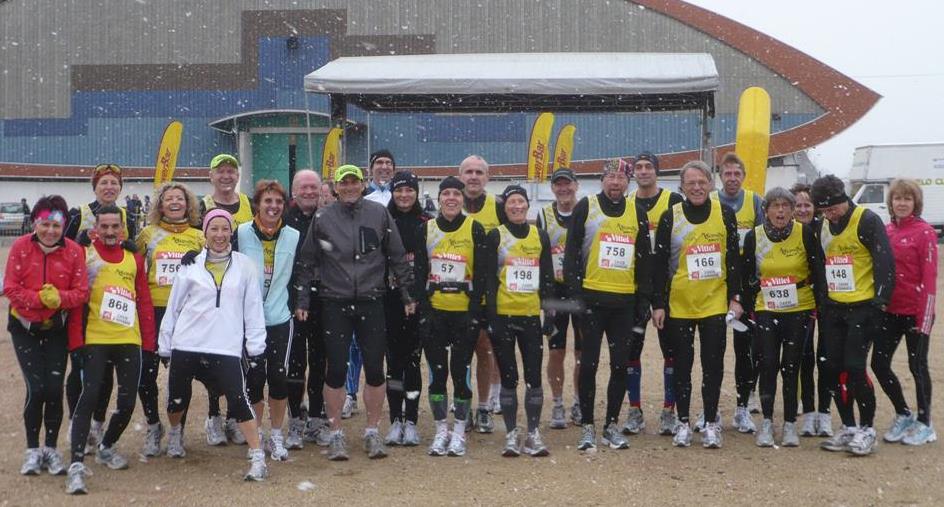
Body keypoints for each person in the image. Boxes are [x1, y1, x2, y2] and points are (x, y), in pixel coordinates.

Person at [295, 164, 414, 461]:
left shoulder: (379, 214)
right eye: (343, 183)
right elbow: (307, 262)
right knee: (335, 370)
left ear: (362, 184)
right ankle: (335, 434)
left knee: (375, 369)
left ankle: (372, 431)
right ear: (335, 187)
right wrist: (302, 301)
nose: (348, 187)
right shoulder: (324, 217)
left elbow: (397, 256)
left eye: (353, 182)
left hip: (372, 301)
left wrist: (408, 294)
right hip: (334, 302)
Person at [158, 209, 269, 482]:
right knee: (176, 399)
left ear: (231, 232)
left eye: (224, 229)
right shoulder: (190, 264)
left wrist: (256, 347)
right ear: (204, 233)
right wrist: (165, 343)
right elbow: (174, 307)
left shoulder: (245, 265)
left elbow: (253, 308)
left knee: (238, 399)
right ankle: (175, 435)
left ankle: (257, 456)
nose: (220, 235)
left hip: (226, 345)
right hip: (188, 342)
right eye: (214, 229)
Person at [65, 205, 156, 495]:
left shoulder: (133, 257)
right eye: (104, 226)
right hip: (96, 339)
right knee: (89, 397)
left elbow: (143, 300)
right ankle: (77, 463)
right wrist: (76, 342)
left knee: (128, 402)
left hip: (128, 339)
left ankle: (106, 446)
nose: (109, 232)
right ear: (96, 228)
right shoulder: (86, 254)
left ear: (122, 228)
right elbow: (78, 300)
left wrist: (150, 343)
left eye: (114, 226)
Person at [651, 160, 741, 449]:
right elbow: (660, 263)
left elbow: (733, 260)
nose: (697, 187)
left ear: (710, 184)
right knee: (682, 366)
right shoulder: (671, 216)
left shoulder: (725, 214)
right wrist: (659, 303)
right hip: (680, 304)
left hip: (714, 302)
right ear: (682, 187)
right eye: (691, 183)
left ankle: (712, 422)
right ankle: (683, 422)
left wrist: (736, 298)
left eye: (702, 182)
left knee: (713, 365)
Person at [564, 158, 651, 451]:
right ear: (602, 179)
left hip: (623, 303)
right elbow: (572, 253)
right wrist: (576, 295)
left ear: (629, 183)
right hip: (591, 300)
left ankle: (610, 425)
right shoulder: (586, 207)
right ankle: (587, 425)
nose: (616, 183)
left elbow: (644, 259)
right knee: (588, 364)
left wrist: (643, 300)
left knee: (619, 366)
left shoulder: (636, 212)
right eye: (611, 177)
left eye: (621, 178)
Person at [4, 196, 88, 477]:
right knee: (36, 388)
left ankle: (50, 449)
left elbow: (81, 293)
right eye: (45, 224)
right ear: (35, 223)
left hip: (56, 329)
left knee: (54, 389)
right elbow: (10, 288)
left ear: (64, 225)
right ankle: (32, 449)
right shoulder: (20, 247)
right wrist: (40, 299)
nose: (50, 231)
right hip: (24, 327)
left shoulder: (74, 251)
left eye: (56, 225)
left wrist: (59, 299)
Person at [812, 174, 894, 456]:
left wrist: (879, 302)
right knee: (831, 368)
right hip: (834, 308)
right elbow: (821, 265)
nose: (830, 214)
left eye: (833, 208)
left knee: (856, 368)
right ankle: (847, 426)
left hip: (863, 307)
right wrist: (823, 303)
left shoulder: (867, 220)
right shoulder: (822, 225)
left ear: (844, 199)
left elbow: (885, 262)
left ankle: (867, 429)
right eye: (823, 210)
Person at [742, 188, 825, 448]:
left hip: (798, 309)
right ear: (765, 210)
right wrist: (749, 300)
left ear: (792, 210)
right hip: (766, 308)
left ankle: (790, 423)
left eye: (786, 206)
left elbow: (818, 270)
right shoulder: (754, 237)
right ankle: (767, 422)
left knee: (792, 367)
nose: (781, 211)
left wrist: (820, 305)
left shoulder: (806, 234)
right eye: (775, 206)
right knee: (767, 364)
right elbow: (746, 276)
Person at [64, 165, 135, 463]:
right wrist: (77, 245)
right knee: (80, 374)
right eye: (104, 183)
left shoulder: (125, 216)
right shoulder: (79, 213)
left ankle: (97, 425)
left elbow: (131, 254)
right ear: (95, 187)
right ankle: (75, 424)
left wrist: (132, 245)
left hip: (115, 313)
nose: (109, 187)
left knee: (105, 377)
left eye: (114, 183)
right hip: (84, 306)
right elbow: (61, 249)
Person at [412, 176, 487, 456]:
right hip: (436, 313)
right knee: (437, 375)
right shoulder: (426, 229)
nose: (452, 198)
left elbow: (481, 274)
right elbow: (419, 272)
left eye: (457, 193)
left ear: (463, 198)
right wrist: (425, 309)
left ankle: (459, 432)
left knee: (461, 373)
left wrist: (475, 312)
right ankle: (441, 429)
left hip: (463, 314)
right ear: (440, 199)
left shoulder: (474, 228)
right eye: (447, 194)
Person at [134, 182, 205, 457]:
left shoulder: (199, 237)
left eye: (180, 198)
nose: (175, 203)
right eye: (169, 199)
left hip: (185, 314)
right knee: (145, 375)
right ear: (160, 206)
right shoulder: (147, 234)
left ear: (188, 205)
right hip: (154, 311)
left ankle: (177, 432)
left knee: (180, 376)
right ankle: (153, 426)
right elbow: (134, 270)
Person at [486, 185, 555, 457]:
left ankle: (534, 433)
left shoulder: (540, 236)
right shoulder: (496, 236)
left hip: (529, 316)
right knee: (508, 376)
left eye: (521, 202)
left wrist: (549, 314)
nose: (517, 206)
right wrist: (491, 316)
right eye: (512, 202)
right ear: (505, 208)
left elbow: (547, 277)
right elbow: (489, 279)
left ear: (528, 206)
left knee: (534, 375)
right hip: (503, 315)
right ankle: (512, 433)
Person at [233, 180, 299, 462]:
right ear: (257, 204)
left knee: (279, 378)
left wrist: (300, 304)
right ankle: (255, 434)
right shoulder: (242, 233)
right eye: (267, 201)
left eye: (278, 202)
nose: (273, 207)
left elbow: (300, 273)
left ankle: (276, 434)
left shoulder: (294, 235)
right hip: (249, 320)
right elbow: (222, 257)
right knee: (254, 380)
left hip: (280, 317)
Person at [871, 179, 937, 445]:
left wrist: (924, 318)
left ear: (915, 203)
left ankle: (925, 423)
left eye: (907, 199)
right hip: (890, 311)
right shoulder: (886, 231)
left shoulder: (925, 233)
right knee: (879, 364)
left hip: (916, 312)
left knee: (917, 366)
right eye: (897, 198)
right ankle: (903, 413)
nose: (901, 203)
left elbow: (930, 279)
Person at [624, 152, 684, 436]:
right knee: (631, 350)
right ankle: (634, 409)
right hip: (636, 288)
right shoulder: (626, 204)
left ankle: (669, 411)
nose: (644, 171)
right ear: (633, 172)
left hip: (666, 286)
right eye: (639, 167)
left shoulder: (673, 202)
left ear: (657, 172)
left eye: (649, 166)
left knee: (670, 350)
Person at [710, 152, 764, 433]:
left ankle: (743, 406)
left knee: (745, 350)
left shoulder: (755, 202)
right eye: (727, 174)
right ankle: (711, 409)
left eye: (736, 174)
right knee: (713, 351)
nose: (732, 178)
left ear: (743, 176)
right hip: (717, 283)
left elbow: (764, 239)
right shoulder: (711, 201)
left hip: (746, 285)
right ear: (720, 176)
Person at [345, 150, 399, 417]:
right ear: (370, 170)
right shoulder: (360, 199)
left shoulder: (402, 196)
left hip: (393, 284)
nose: (384, 167)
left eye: (389, 163)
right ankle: (350, 393)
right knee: (355, 343)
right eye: (379, 163)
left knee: (387, 343)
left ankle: (388, 396)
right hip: (365, 282)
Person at [383, 171, 431, 447]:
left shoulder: (426, 222)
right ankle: (394, 421)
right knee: (393, 364)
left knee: (413, 362)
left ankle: (411, 420)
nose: (404, 195)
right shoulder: (384, 220)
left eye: (409, 190)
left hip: (417, 302)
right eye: (399, 190)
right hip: (389, 300)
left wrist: (418, 297)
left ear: (416, 193)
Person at [282, 170, 328, 449]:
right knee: (295, 363)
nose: (309, 192)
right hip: (290, 300)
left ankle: (316, 417)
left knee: (321, 362)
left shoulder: (330, 217)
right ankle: (295, 421)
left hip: (325, 298)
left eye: (314, 187)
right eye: (304, 187)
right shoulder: (283, 220)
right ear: (294, 191)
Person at [459, 155, 505, 432]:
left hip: (488, 294)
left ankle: (485, 406)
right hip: (455, 294)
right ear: (460, 176)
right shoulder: (448, 203)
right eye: (468, 172)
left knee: (485, 351)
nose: (473, 176)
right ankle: (463, 405)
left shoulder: (498, 208)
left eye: (479, 172)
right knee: (460, 355)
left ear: (487, 178)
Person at [536, 167, 583, 428]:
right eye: (558, 185)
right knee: (556, 351)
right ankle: (557, 404)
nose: (564, 189)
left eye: (568, 184)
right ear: (553, 188)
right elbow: (542, 256)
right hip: (556, 291)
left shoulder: (585, 210)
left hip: (580, 290)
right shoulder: (544, 215)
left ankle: (577, 401)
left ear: (576, 185)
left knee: (581, 352)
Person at [790, 183, 834, 437]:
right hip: (800, 301)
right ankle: (807, 411)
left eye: (807, 204)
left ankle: (825, 412)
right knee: (804, 358)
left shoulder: (824, 229)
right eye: (798, 204)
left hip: (828, 300)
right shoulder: (788, 231)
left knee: (825, 358)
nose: (803, 209)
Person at [200, 154, 254, 226]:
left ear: (237, 176)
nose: (226, 176)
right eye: (220, 171)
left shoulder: (251, 205)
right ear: (211, 176)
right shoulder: (201, 208)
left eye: (230, 171)